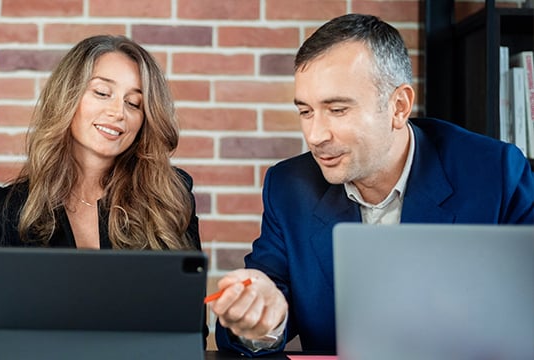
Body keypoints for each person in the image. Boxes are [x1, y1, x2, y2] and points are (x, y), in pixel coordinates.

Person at [211, 13, 534, 356]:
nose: (316, 136)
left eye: (337, 110)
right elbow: (257, 308)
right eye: (306, 112)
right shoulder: (289, 187)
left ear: (398, 106)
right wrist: (263, 320)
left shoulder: (494, 173)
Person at [0, 35, 203, 341]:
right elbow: (1, 336)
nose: (118, 112)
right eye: (102, 92)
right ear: (68, 97)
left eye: (134, 103)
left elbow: (191, 332)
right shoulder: (10, 208)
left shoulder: (170, 197)